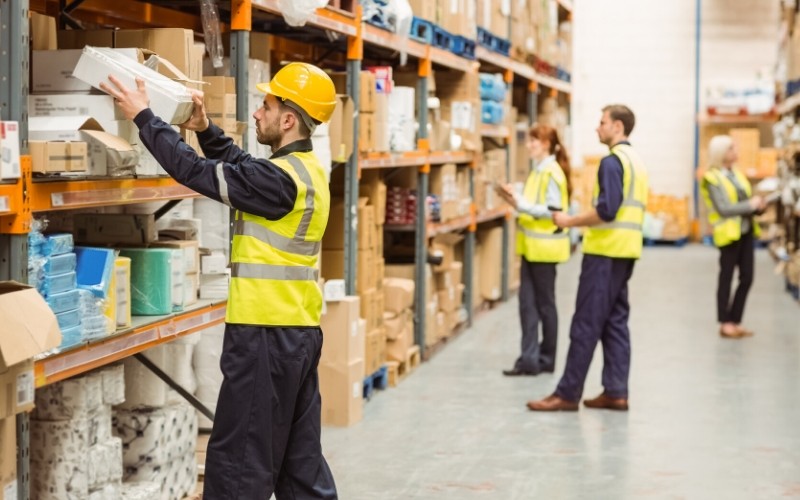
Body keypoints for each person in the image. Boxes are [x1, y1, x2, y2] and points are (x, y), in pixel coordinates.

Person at [101, 63, 339, 498]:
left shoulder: (279, 181)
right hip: (297, 333)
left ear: (288, 119)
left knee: (239, 465)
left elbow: (192, 171)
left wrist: (143, 116)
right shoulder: (304, 170)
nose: (258, 114)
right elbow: (243, 166)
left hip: (265, 337)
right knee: (300, 464)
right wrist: (207, 129)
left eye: (266, 106)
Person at [527, 104, 648, 412]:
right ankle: (616, 391)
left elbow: (607, 211)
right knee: (615, 322)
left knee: (585, 324)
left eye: (602, 122)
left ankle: (567, 394)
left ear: (617, 127)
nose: (598, 128)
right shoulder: (636, 160)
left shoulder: (612, 162)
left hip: (604, 254)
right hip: (625, 252)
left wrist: (570, 221)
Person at [497, 124, 571, 376]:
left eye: (534, 141)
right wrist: (514, 195)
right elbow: (533, 201)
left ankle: (547, 359)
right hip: (531, 247)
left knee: (545, 305)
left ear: (547, 144)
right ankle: (529, 360)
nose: (529, 145)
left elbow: (553, 209)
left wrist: (520, 204)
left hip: (545, 249)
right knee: (527, 304)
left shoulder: (551, 172)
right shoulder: (538, 171)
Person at [700, 135, 765, 339]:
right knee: (726, 278)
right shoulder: (712, 178)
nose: (736, 151)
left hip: (745, 231)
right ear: (721, 153)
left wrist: (759, 207)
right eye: (731, 149)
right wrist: (750, 205)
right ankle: (725, 322)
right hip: (728, 235)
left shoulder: (736, 174)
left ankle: (736, 320)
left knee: (747, 277)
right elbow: (724, 208)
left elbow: (745, 201)